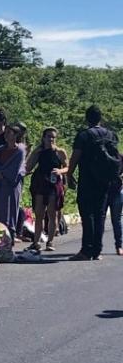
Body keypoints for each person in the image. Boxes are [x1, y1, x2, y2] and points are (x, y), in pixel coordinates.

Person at [67, 105, 119, 261]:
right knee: (99, 214)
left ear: (86, 118)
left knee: (87, 214)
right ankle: (97, 250)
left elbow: (75, 156)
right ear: (100, 118)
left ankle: (86, 250)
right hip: (104, 181)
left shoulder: (84, 136)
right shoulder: (111, 135)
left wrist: (69, 175)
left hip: (87, 180)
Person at [26, 127, 69, 251]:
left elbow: (67, 167)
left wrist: (60, 171)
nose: (51, 139)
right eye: (48, 136)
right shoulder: (38, 151)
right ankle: (36, 242)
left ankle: (50, 242)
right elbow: (29, 167)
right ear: (43, 138)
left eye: (53, 137)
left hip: (54, 184)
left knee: (52, 213)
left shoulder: (60, 152)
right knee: (39, 213)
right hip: (40, 183)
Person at [0, 124, 26, 239]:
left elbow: (15, 169)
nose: (6, 135)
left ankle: (10, 237)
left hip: (11, 185)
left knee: (10, 211)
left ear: (16, 135)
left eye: (9, 133)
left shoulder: (20, 150)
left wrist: (1, 172)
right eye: (6, 133)